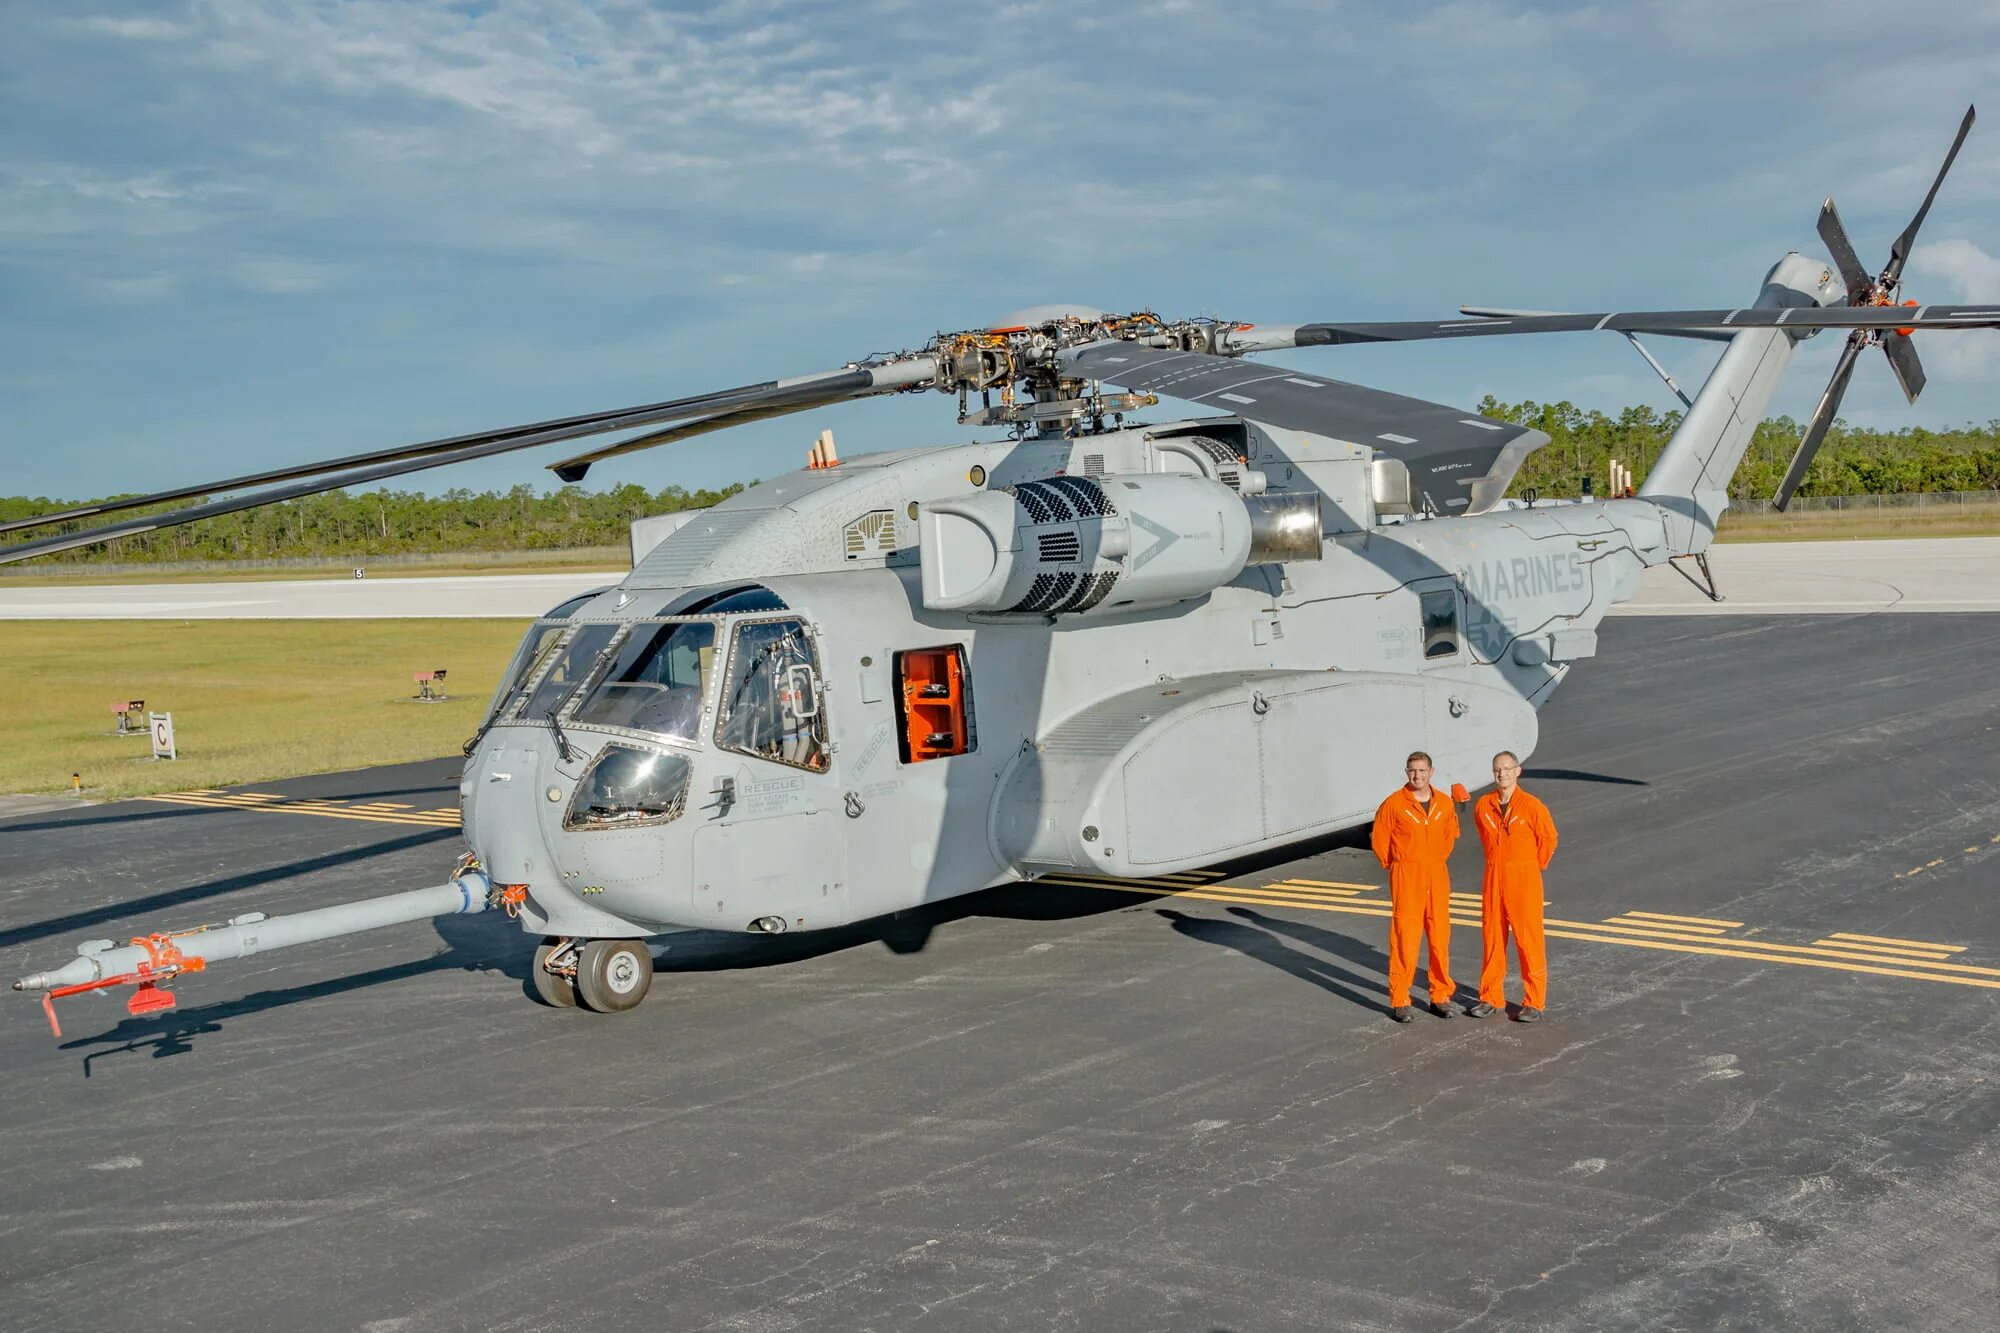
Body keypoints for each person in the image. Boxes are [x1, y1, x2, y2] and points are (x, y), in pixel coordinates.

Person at [1468, 751, 1558, 1022]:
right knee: (1492, 940)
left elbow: (1548, 839)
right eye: (1498, 769)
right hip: (1493, 878)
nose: (1502, 774)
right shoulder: (1483, 805)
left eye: (1507, 769)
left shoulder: (1532, 806)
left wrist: (1529, 867)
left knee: (1529, 941)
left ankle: (1534, 1001)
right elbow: (1485, 838)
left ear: (1518, 771)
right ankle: (1490, 997)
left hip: (1524, 881)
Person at [1370, 751, 1459, 1023]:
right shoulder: (1394, 804)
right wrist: (1398, 866)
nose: (1417, 775)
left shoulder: (1444, 803)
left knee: (1439, 939)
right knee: (1404, 940)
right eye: (1412, 771)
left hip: (1436, 875)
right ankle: (1400, 999)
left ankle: (1440, 996)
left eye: (1421, 771)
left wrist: (1433, 861)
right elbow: (1381, 841)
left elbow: (1449, 836)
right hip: (1407, 876)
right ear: (1406, 772)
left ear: (1431, 771)